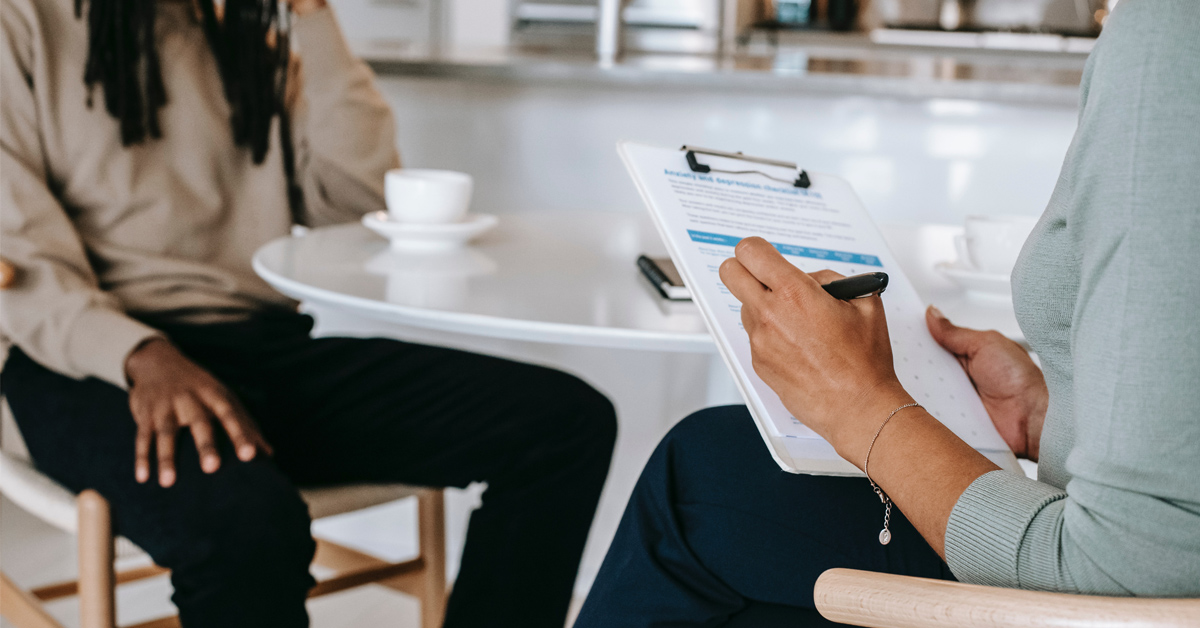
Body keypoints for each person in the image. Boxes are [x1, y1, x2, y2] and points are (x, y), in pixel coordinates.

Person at [575, 1, 1200, 625]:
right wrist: (1051, 416)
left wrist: (859, 404)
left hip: (1084, 598)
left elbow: (1124, 574)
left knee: (703, 475)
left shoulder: (1168, 33)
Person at [0, 0, 616, 626]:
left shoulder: (245, 40)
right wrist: (140, 355)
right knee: (245, 526)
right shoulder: (21, 21)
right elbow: (15, 255)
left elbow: (360, 205)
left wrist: (315, 17)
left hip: (260, 345)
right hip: (84, 361)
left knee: (563, 425)